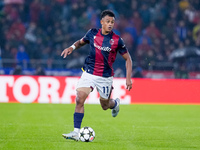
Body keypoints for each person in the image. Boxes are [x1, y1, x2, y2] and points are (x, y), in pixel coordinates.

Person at [61, 10, 132, 141]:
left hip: (105, 77)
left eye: (112, 22)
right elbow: (80, 42)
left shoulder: (117, 40)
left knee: (104, 106)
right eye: (108, 22)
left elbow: (128, 59)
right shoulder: (92, 33)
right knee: (79, 98)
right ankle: (76, 132)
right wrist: (71, 47)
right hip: (89, 72)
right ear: (102, 22)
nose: (110, 24)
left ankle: (114, 104)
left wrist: (128, 78)